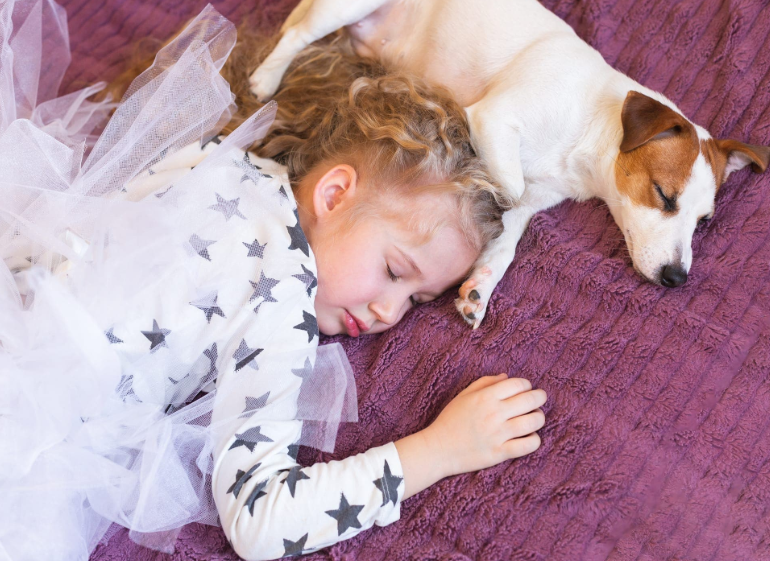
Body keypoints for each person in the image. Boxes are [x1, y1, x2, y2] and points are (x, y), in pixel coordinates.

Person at [0, 3, 547, 560]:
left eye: (418, 300)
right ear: (334, 194)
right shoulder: (283, 294)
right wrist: (440, 450)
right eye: (394, 271)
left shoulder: (216, 155)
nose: (391, 312)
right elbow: (262, 519)